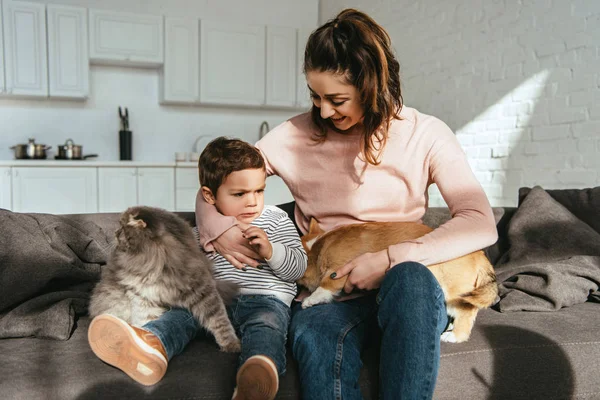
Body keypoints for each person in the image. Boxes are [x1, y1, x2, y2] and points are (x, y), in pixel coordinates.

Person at [194, 9, 498, 400]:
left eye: (336, 99)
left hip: (403, 283)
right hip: (330, 289)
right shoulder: (294, 135)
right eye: (315, 96)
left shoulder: (427, 134)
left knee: (411, 279)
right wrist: (218, 229)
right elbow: (220, 180)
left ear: (373, 85)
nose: (322, 111)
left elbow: (479, 221)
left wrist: (390, 259)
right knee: (313, 329)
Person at [89, 137, 307, 400]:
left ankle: (256, 376)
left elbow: (298, 269)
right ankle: (149, 346)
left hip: (266, 301)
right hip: (214, 300)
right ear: (209, 196)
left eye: (259, 191)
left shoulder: (275, 219)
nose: (252, 202)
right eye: (239, 194)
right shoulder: (203, 232)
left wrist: (272, 251)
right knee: (180, 317)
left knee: (267, 329)